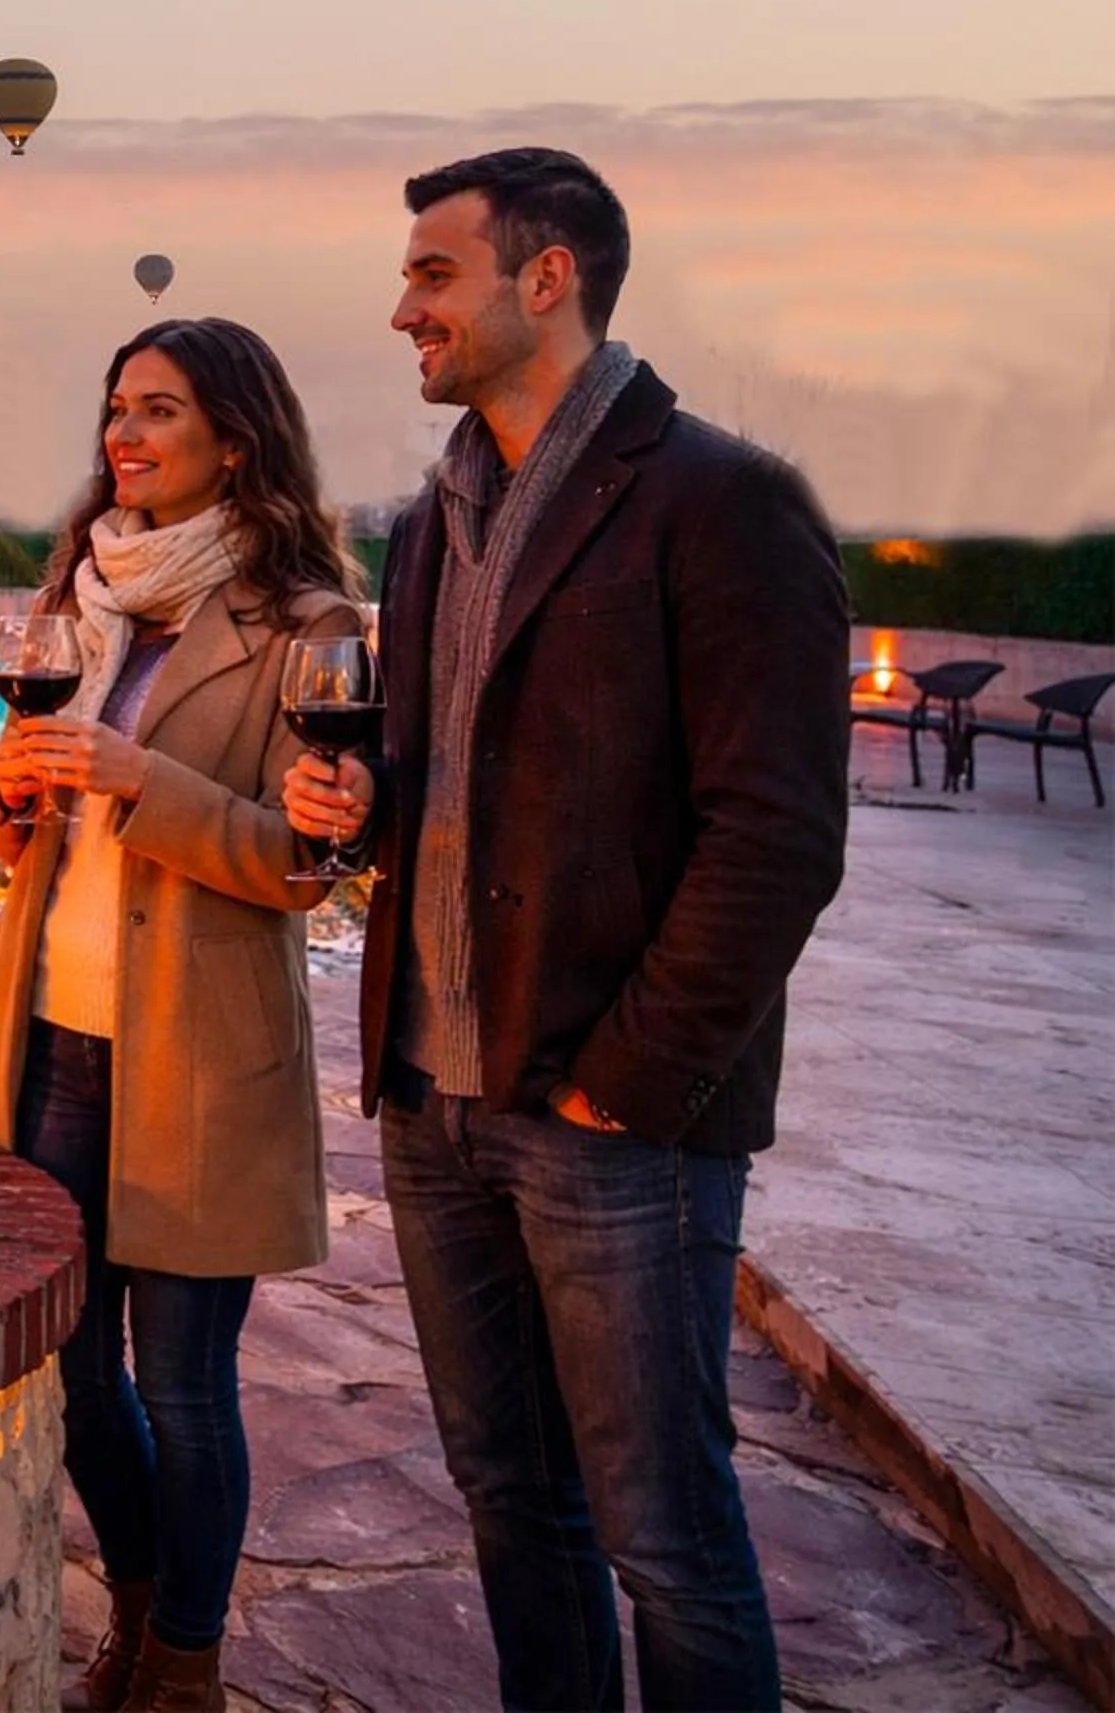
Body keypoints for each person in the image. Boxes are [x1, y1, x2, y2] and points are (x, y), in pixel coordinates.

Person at [281, 148, 848, 1712]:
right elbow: (457, 781)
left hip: (611, 1123)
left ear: (548, 280)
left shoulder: (726, 502)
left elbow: (780, 835)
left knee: (665, 1540)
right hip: (433, 1101)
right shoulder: (425, 524)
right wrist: (359, 806)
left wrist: (627, 1086)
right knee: (512, 1512)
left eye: (432, 273)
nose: (403, 308)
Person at [0, 316, 364, 1712]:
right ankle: (139, 1611)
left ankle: (183, 1667)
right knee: (69, 1373)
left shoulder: (307, 630)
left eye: (159, 413)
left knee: (186, 1388)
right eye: (115, 409)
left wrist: (140, 781)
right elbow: (15, 819)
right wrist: (7, 800)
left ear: (234, 441)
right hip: (55, 1043)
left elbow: (298, 864)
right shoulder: (83, 599)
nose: (123, 437)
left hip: (196, 1055)